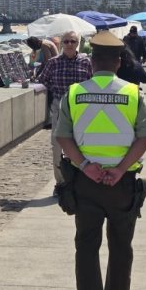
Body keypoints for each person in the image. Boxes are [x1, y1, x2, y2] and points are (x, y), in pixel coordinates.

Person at [54, 31, 146, 290]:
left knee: (86, 245)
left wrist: (86, 166)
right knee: (121, 244)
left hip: (85, 183)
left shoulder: (74, 94)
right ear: (117, 63)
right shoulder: (133, 94)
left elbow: (63, 137)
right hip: (122, 183)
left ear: (91, 63)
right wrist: (120, 169)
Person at [38, 31, 93, 193]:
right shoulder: (53, 63)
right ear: (61, 44)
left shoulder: (86, 62)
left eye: (73, 41)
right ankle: (61, 183)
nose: (69, 44)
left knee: (81, 146)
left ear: (78, 44)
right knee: (57, 146)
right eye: (66, 41)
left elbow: (94, 83)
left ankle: (79, 181)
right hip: (59, 109)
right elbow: (42, 81)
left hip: (81, 110)